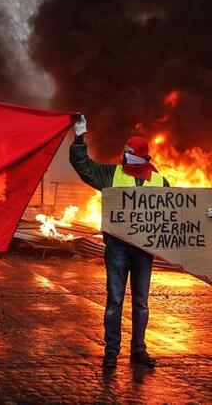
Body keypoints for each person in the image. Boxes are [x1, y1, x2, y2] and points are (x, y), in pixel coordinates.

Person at [70, 116, 170, 369]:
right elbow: (83, 166)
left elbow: (176, 211)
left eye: (130, 153)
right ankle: (111, 352)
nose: (125, 157)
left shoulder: (160, 182)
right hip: (117, 247)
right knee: (115, 299)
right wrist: (80, 137)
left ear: (142, 156)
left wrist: (205, 213)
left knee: (141, 301)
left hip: (144, 249)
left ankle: (139, 350)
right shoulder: (111, 174)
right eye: (124, 152)